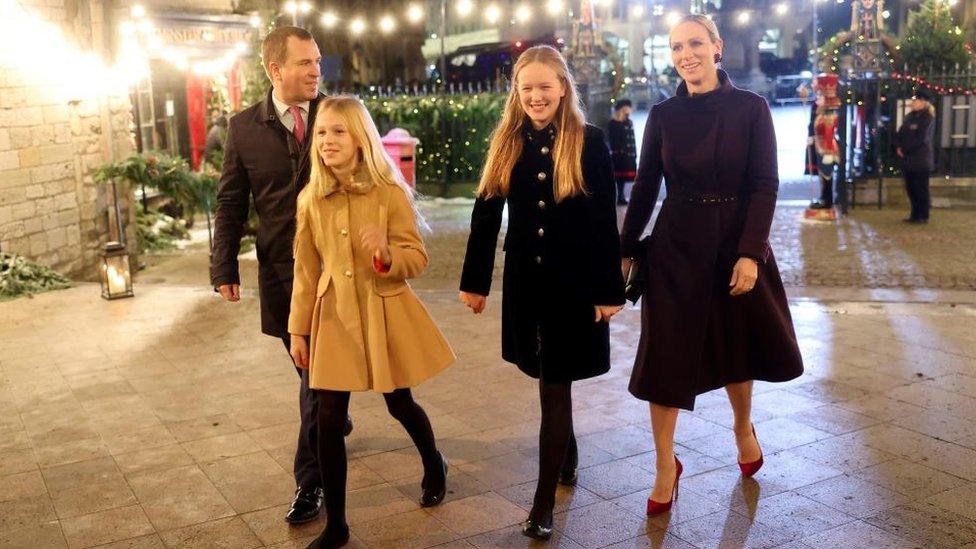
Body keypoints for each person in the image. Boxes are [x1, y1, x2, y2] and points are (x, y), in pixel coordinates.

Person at [619, 15, 804, 516]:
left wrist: (751, 252)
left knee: (734, 348)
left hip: (732, 244)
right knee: (663, 358)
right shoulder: (662, 115)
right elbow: (645, 189)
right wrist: (626, 247)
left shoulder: (751, 109)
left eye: (696, 43)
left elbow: (765, 185)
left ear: (717, 47)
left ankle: (742, 427)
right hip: (676, 247)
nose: (686, 54)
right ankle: (664, 464)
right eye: (677, 46)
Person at [459, 45, 625, 540]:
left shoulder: (588, 141)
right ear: (517, 91)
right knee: (549, 378)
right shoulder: (506, 141)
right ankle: (567, 453)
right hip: (527, 286)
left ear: (562, 87)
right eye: (526, 87)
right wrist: (475, 282)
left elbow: (603, 222)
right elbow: (486, 214)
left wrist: (607, 289)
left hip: (573, 286)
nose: (535, 96)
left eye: (544, 86)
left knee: (555, 383)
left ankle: (542, 501)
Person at [289, 96, 455, 549]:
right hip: (334, 316)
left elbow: (416, 258)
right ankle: (337, 525)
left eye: (338, 131)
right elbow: (305, 271)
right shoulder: (310, 199)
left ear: (360, 138)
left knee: (399, 401)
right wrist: (297, 330)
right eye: (321, 132)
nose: (327, 141)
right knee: (327, 416)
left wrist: (386, 254)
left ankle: (434, 462)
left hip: (381, 311)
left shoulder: (388, 193)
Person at [209, 26, 352, 526]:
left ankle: (309, 482)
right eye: (306, 63)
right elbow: (230, 201)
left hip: (339, 273)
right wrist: (223, 265)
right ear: (275, 69)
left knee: (319, 382)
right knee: (313, 376)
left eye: (318, 62)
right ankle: (332, 422)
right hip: (281, 274)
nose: (317, 71)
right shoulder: (244, 127)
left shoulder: (338, 117)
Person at [896, 88, 936, 224]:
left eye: (916, 100)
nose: (913, 103)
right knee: (911, 187)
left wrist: (905, 149)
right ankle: (914, 214)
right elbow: (901, 132)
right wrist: (899, 146)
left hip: (920, 159)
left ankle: (923, 215)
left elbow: (921, 138)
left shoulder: (927, 118)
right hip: (908, 159)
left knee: (921, 188)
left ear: (923, 102)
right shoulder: (910, 117)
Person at [607, 98, 637, 205]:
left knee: (624, 178)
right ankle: (619, 196)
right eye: (626, 108)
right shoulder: (614, 124)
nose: (629, 110)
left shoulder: (629, 122)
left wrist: (634, 153)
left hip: (629, 155)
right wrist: (621, 150)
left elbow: (632, 139)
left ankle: (621, 196)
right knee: (619, 178)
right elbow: (613, 140)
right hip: (619, 155)